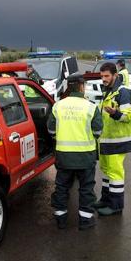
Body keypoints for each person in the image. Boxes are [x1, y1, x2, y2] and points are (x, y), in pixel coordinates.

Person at [47, 73, 103, 230]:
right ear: (81, 87)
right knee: (86, 188)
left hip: (64, 156)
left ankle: (61, 220)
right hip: (86, 156)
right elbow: (98, 131)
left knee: (62, 187)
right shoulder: (91, 106)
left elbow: (51, 130)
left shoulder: (58, 106)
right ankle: (85, 221)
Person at [94, 62, 131, 216]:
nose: (103, 79)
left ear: (115, 75)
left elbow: (127, 116)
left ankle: (116, 206)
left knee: (115, 173)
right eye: (102, 76)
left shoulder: (122, 92)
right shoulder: (108, 91)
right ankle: (105, 200)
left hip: (117, 141)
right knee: (105, 171)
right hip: (106, 139)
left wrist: (114, 113)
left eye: (106, 76)